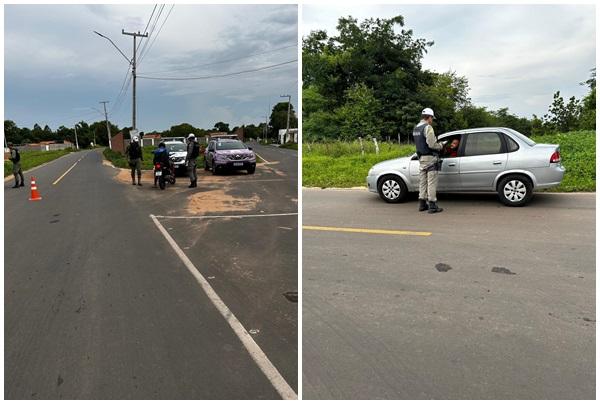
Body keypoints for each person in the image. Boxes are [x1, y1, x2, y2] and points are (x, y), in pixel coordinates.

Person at [413, 108, 444, 213]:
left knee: (422, 182)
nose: (432, 120)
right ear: (429, 117)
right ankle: (432, 205)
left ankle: (422, 204)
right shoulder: (428, 127)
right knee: (431, 182)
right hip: (430, 158)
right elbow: (431, 144)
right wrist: (441, 146)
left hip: (421, 159)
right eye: (432, 118)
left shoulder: (416, 128)